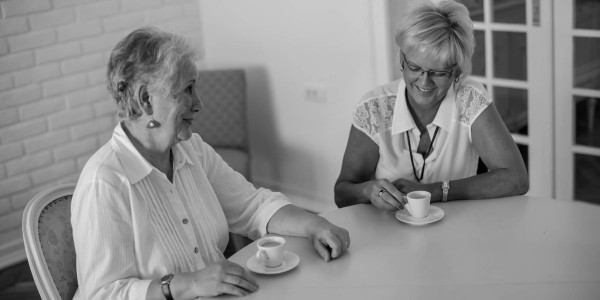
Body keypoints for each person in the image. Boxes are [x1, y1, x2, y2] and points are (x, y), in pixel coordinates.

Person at [71, 27, 350, 300]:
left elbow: (253, 206)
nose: (199, 104)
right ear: (146, 100)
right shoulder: (103, 182)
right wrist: (188, 284)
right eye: (188, 89)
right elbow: (103, 293)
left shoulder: (193, 150)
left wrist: (315, 225)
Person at [334, 0, 528, 211]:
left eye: (439, 73)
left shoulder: (470, 99)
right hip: (387, 232)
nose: (424, 82)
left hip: (459, 229)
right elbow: (342, 194)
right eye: (415, 68)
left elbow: (516, 179)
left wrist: (435, 191)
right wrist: (368, 190)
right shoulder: (373, 108)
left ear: (457, 71)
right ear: (402, 59)